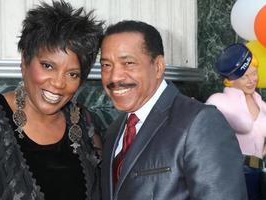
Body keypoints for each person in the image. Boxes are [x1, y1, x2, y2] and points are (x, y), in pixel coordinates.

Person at [0, 1, 103, 199]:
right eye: (48, 66)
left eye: (72, 74)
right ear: (25, 61)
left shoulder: (85, 122)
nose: (58, 83)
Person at [99, 20, 247, 200]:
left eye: (128, 63)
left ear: (158, 66)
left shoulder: (200, 122)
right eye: (106, 65)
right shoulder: (115, 130)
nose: (114, 76)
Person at [206, 43, 266, 200]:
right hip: (233, 172)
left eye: (254, 74)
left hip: (259, 171)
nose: (251, 80)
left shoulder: (261, 103)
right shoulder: (219, 101)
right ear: (231, 81)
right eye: (245, 77)